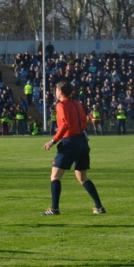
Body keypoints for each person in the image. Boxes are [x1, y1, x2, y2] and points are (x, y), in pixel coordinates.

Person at [43, 82, 105, 215]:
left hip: (70, 142)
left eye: (56, 89)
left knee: (55, 176)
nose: (55, 92)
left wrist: (53, 141)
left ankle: (54, 209)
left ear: (60, 91)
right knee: (82, 177)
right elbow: (84, 121)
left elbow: (65, 124)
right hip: (82, 142)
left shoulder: (61, 105)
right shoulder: (77, 103)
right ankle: (99, 207)